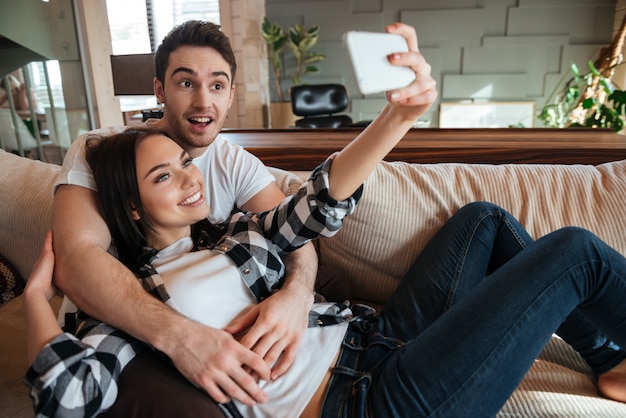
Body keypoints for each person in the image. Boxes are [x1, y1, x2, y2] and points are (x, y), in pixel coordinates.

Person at [25, 129, 626, 415]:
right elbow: (68, 394)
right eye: (165, 177)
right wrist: (35, 298)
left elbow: (317, 208)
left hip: (380, 338)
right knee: (572, 251)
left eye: (185, 163)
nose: (191, 178)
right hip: (367, 403)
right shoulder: (128, 308)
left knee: (482, 221)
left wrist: (395, 117)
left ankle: (608, 358)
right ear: (131, 207)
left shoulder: (237, 233)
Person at [50, 19, 363, 413]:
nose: (203, 102)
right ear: (159, 90)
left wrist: (295, 298)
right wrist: (182, 337)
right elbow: (76, 258)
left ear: (231, 94)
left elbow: (294, 230)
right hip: (125, 335)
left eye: (216, 85)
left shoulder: (236, 164)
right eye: (186, 84)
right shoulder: (103, 151)